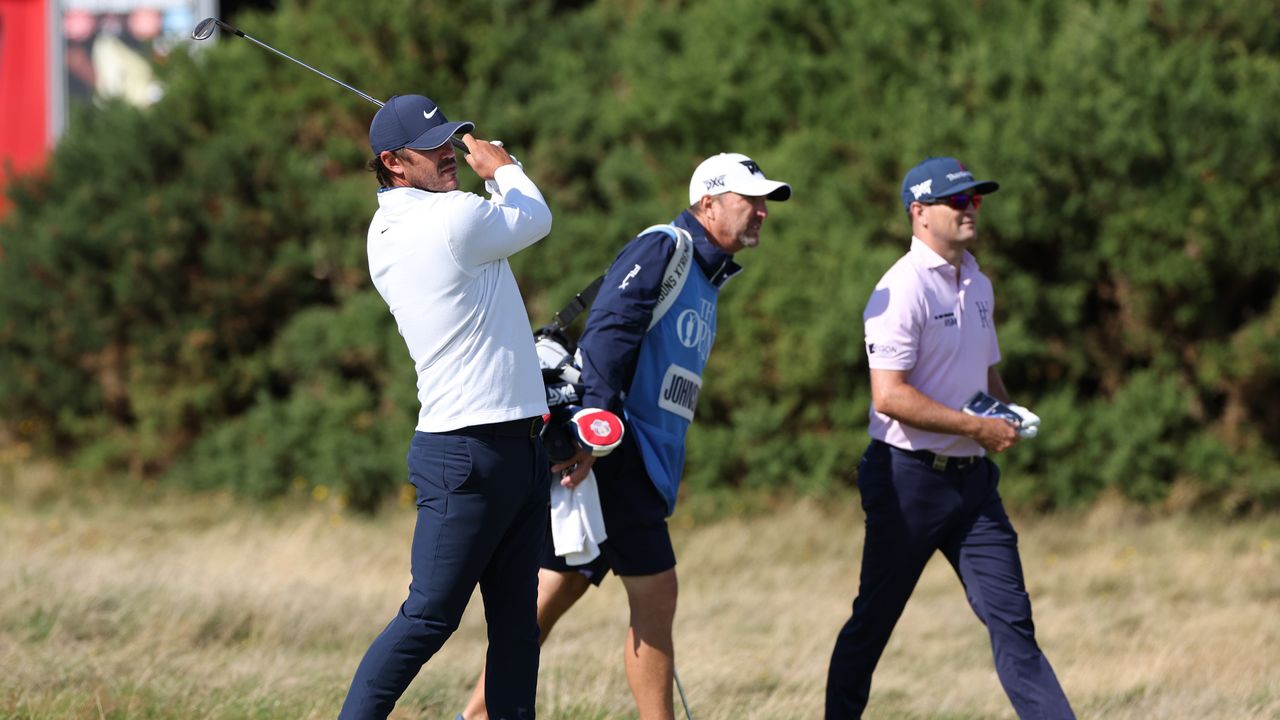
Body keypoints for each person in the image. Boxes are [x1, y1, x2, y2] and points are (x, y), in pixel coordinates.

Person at [461, 153, 791, 720]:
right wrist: (595, 432)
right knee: (656, 591)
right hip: (617, 450)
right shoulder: (666, 246)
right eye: (749, 200)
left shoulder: (707, 275)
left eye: (765, 202)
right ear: (707, 203)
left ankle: (476, 715)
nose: (761, 211)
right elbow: (610, 330)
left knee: (552, 589)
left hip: (631, 452)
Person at [825, 157, 1075, 719]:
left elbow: (985, 371)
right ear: (919, 214)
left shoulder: (977, 279)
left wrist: (1003, 412)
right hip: (906, 481)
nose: (970, 210)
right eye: (957, 201)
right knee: (873, 624)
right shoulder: (899, 289)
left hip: (973, 486)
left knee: (1014, 625)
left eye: (975, 200)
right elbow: (888, 396)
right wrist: (975, 426)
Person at [338, 94, 553, 720]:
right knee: (430, 615)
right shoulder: (448, 220)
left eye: (449, 139)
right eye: (432, 147)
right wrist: (503, 168)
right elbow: (534, 218)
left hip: (516, 446)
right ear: (393, 164)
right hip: (466, 455)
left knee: (517, 629)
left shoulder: (396, 226)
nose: (448, 153)